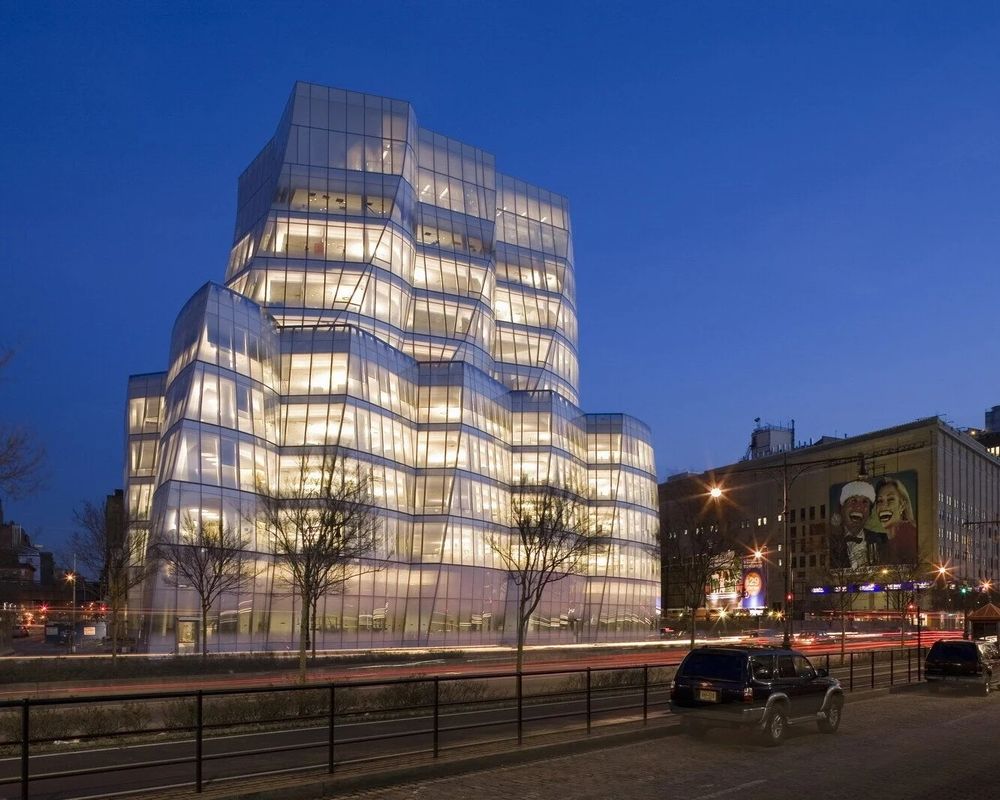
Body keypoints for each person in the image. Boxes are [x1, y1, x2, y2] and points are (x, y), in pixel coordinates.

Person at [829, 480, 886, 568]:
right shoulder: (831, 542)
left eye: (865, 502)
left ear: (869, 513)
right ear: (842, 509)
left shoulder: (882, 540)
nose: (859, 507)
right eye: (853, 501)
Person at [874, 477, 917, 564]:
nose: (883, 506)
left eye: (890, 499)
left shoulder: (910, 533)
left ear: (902, 505)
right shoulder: (883, 542)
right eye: (879, 501)